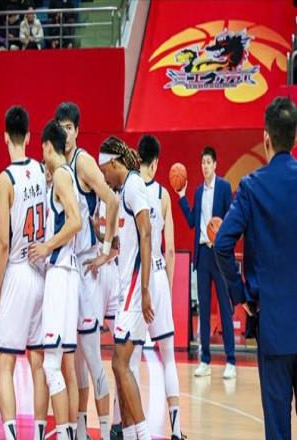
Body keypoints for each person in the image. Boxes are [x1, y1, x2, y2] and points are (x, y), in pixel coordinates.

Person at [215, 97, 297, 440]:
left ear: (266, 138)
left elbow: (222, 244)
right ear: (294, 137)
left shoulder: (251, 187)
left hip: (272, 325)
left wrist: (241, 295)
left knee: (277, 429)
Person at [55, 102, 119, 440]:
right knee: (74, 361)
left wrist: (106, 248)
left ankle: (105, 432)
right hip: (67, 270)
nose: (65, 133)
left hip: (87, 268)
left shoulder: (83, 161)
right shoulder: (57, 164)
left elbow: (112, 199)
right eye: (61, 127)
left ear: (77, 131)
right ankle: (80, 431)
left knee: (93, 359)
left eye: (70, 128)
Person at [0, 106, 49, 440]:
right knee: (39, 362)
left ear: (4, 137)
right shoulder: (42, 170)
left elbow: (3, 242)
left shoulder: (5, 179)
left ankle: (12, 435)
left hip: (15, 272)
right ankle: (39, 433)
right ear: (28, 137)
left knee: (6, 364)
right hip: (40, 271)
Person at [28, 119, 81, 440]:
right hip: (67, 273)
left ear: (48, 146)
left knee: (51, 365)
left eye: (42, 149)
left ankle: (63, 433)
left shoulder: (61, 174)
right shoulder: (64, 175)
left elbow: (75, 221)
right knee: (60, 364)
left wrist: (47, 246)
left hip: (60, 273)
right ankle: (67, 431)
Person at [98, 136, 153, 440]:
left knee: (120, 363)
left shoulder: (133, 185)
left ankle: (142, 434)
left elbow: (146, 233)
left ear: (114, 163)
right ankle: (131, 434)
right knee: (119, 364)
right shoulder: (122, 192)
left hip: (135, 286)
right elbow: (127, 241)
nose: (103, 177)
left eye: (104, 171)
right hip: (127, 288)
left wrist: (144, 289)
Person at [133, 135, 184, 440]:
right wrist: (167, 283)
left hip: (137, 277)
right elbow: (171, 250)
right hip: (158, 273)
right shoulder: (163, 194)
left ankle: (125, 425)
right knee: (168, 357)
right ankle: (175, 429)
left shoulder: (129, 188)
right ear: (155, 163)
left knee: (129, 357)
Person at [177, 146, 236, 379]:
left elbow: (231, 218)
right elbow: (192, 221)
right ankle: (205, 360)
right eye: (203, 163)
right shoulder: (199, 191)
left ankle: (231, 360)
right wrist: (182, 197)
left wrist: (222, 240)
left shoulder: (224, 187)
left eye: (209, 162)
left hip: (219, 255)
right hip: (202, 255)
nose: (205, 166)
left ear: (215, 165)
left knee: (225, 308)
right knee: (203, 308)